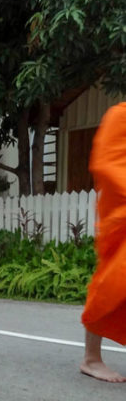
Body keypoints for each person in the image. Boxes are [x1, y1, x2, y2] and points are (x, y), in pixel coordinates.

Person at [80, 102, 126, 383]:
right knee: (112, 280)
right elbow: (106, 163)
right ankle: (91, 359)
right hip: (121, 213)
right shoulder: (120, 115)